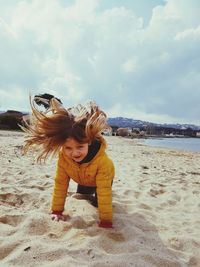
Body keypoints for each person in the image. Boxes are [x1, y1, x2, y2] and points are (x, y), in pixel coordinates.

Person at [22, 97, 115, 229]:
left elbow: (105, 192)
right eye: (68, 148)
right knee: (83, 196)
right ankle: (88, 192)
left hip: (102, 177)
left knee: (99, 200)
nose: (74, 153)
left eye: (79, 147)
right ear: (62, 146)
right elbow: (60, 184)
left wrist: (106, 221)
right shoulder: (64, 159)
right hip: (81, 178)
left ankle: (97, 201)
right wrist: (57, 211)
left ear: (88, 141)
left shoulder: (103, 163)